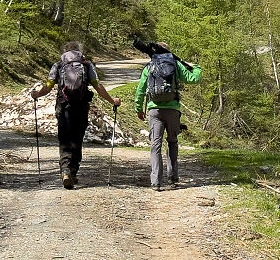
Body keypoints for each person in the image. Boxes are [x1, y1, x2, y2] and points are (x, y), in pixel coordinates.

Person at [30, 42, 120, 189]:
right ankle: (73, 171)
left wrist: (37, 94)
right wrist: (112, 101)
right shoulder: (87, 65)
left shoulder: (58, 65)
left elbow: (48, 86)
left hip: (63, 106)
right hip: (81, 107)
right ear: (79, 52)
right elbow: (98, 86)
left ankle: (65, 170)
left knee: (65, 138)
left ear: (64, 52)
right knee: (77, 139)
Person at [134, 43, 201, 191]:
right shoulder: (175, 64)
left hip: (154, 110)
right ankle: (173, 178)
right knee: (172, 142)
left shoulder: (150, 66)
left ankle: (155, 182)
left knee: (155, 146)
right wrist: (196, 67)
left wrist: (139, 108)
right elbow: (194, 78)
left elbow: (141, 90)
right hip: (172, 110)